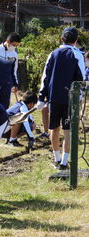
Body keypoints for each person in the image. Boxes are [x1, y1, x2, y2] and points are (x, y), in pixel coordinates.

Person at [37, 26, 85, 170]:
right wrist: (80, 97)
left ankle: (57, 160)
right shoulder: (77, 55)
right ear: (76, 40)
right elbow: (81, 79)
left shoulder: (53, 53)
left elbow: (45, 77)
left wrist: (41, 97)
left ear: (61, 38)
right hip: (71, 98)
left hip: (54, 97)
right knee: (68, 130)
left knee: (54, 128)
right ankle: (64, 162)